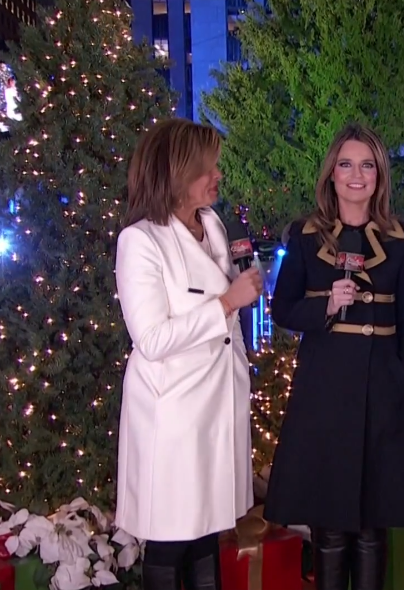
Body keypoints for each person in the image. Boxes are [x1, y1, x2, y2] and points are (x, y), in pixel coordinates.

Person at [264, 123, 404, 590]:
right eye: (346, 164)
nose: (356, 175)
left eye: (366, 165)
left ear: (379, 176)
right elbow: (282, 309)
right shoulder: (305, 236)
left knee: (371, 527)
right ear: (332, 174)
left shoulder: (400, 238)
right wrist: (325, 305)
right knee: (329, 525)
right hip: (322, 392)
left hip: (382, 391)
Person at [114, 119, 263, 590]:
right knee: (171, 539)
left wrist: (245, 285)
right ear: (177, 174)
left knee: (206, 535)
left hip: (219, 404)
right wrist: (226, 304)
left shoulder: (214, 224)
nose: (218, 175)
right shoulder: (141, 241)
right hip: (173, 415)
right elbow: (152, 339)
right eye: (208, 168)